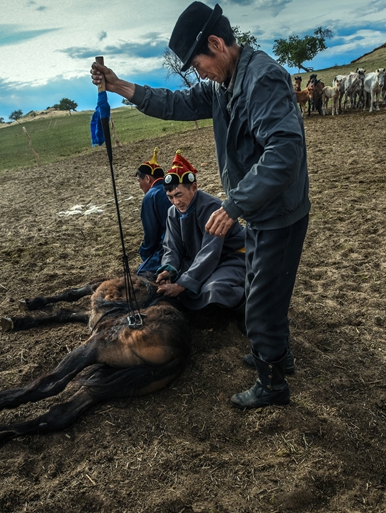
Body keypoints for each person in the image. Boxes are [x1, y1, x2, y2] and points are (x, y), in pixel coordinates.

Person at [90, 1, 310, 408]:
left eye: (197, 64)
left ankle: (273, 384)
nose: (199, 73)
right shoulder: (224, 85)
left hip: (277, 212)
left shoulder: (261, 79)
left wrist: (234, 204)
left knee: (263, 300)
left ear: (216, 44)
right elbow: (176, 103)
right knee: (263, 288)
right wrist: (121, 87)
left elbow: (285, 153)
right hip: (260, 209)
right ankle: (278, 354)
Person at [155, 150, 245, 312]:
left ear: (194, 187)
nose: (176, 202)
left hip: (230, 257)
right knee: (173, 280)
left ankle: (245, 303)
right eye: (170, 197)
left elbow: (211, 251)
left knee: (214, 289)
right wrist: (168, 269)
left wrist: (182, 284)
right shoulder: (172, 212)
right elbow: (172, 246)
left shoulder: (212, 207)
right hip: (198, 259)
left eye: (179, 195)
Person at [135, 148, 173, 277]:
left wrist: (144, 253)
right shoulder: (173, 188)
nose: (140, 186)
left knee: (142, 273)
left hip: (169, 246)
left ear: (147, 178)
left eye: (139, 181)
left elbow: (151, 235)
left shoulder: (151, 196)